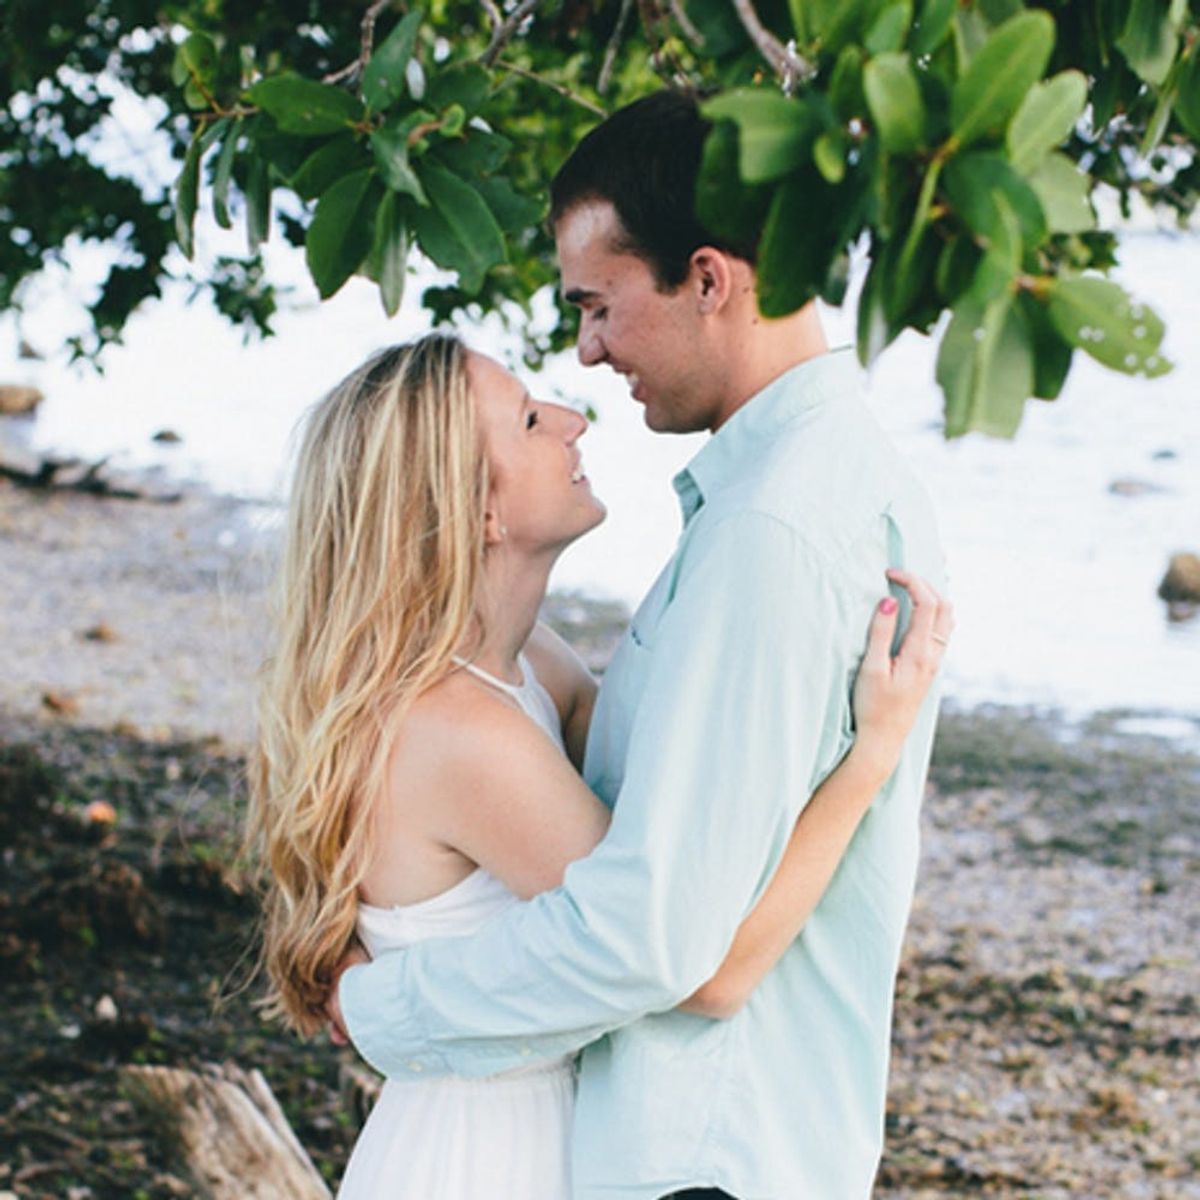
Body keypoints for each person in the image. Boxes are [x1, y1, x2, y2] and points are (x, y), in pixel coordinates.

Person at [326, 91, 949, 1199]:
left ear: (707, 280)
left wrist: (377, 1006)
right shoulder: (796, 495)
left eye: (599, 305)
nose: (588, 353)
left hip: (704, 1157)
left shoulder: (770, 531)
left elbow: (661, 942)